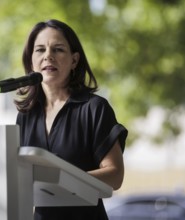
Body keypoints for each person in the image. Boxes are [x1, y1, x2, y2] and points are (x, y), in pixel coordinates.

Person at [15, 19, 128, 220]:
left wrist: (60, 181)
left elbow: (115, 176)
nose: (48, 56)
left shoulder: (94, 108)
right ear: (31, 61)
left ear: (74, 60)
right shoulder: (26, 116)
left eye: (58, 49)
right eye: (40, 50)